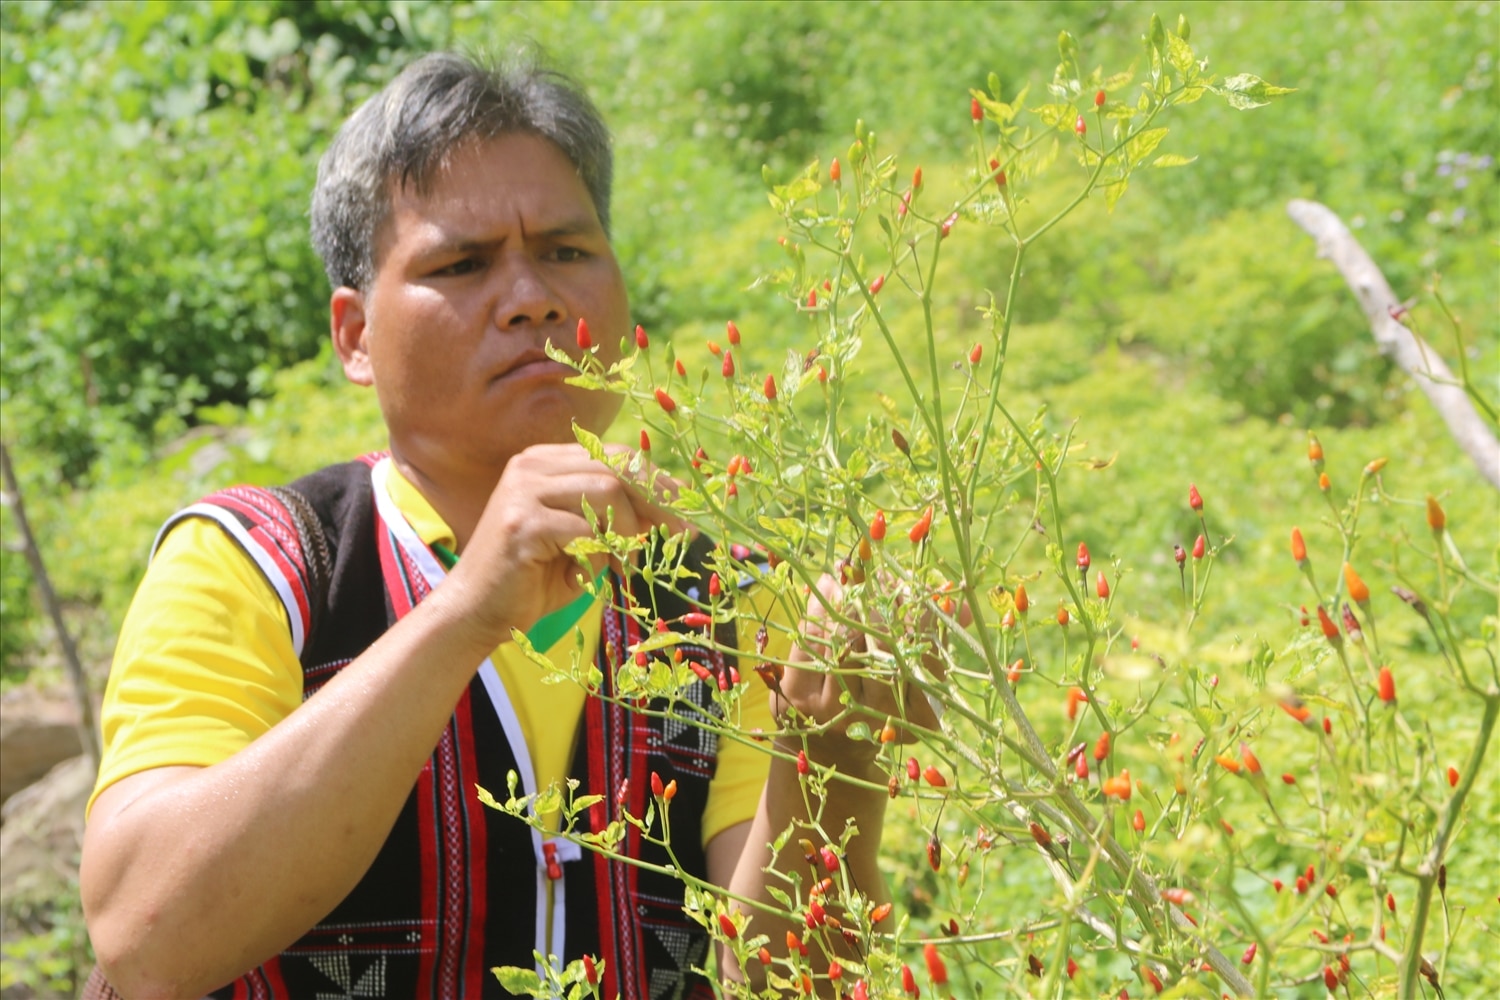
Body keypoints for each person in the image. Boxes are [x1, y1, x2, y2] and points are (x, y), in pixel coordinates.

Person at [80, 51, 928, 999]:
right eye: (462, 263)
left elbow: (784, 981)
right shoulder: (258, 567)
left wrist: (837, 750)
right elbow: (144, 940)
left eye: (567, 251)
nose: (534, 297)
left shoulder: (725, 599)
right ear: (355, 337)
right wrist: (467, 613)